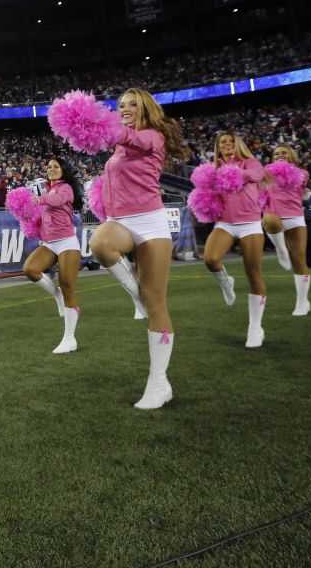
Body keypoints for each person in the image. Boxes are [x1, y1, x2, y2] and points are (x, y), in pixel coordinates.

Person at [86, 87, 189, 410]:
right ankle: (136, 295)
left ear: (145, 108)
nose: (125, 109)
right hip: (121, 221)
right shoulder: (120, 144)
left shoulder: (152, 137)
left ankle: (159, 382)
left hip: (152, 223)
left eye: (131, 105)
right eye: (120, 106)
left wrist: (98, 122)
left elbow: (134, 140)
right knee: (100, 243)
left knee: (157, 302)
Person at [202, 133, 269, 348]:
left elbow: (257, 175)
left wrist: (234, 172)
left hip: (250, 222)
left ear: (238, 144)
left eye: (232, 141)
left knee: (253, 273)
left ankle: (255, 326)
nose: (228, 144)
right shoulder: (212, 168)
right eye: (223, 142)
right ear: (218, 148)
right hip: (225, 222)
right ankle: (226, 282)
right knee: (211, 259)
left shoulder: (250, 162)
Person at [21, 157, 86, 354]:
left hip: (67, 242)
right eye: (49, 167)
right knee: (30, 269)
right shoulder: (49, 189)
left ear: (64, 170)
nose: (51, 169)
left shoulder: (65, 188)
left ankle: (69, 338)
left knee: (68, 286)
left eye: (56, 166)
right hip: (49, 243)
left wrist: (37, 199)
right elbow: (45, 215)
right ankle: (55, 294)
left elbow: (57, 201)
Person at [261, 145, 311, 316]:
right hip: (273, 215)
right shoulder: (265, 173)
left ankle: (302, 301)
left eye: (284, 152)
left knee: (298, 259)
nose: (280, 155)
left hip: (295, 217)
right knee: (269, 219)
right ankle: (280, 249)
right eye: (276, 153)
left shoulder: (302, 173)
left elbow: (293, 181)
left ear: (292, 155)